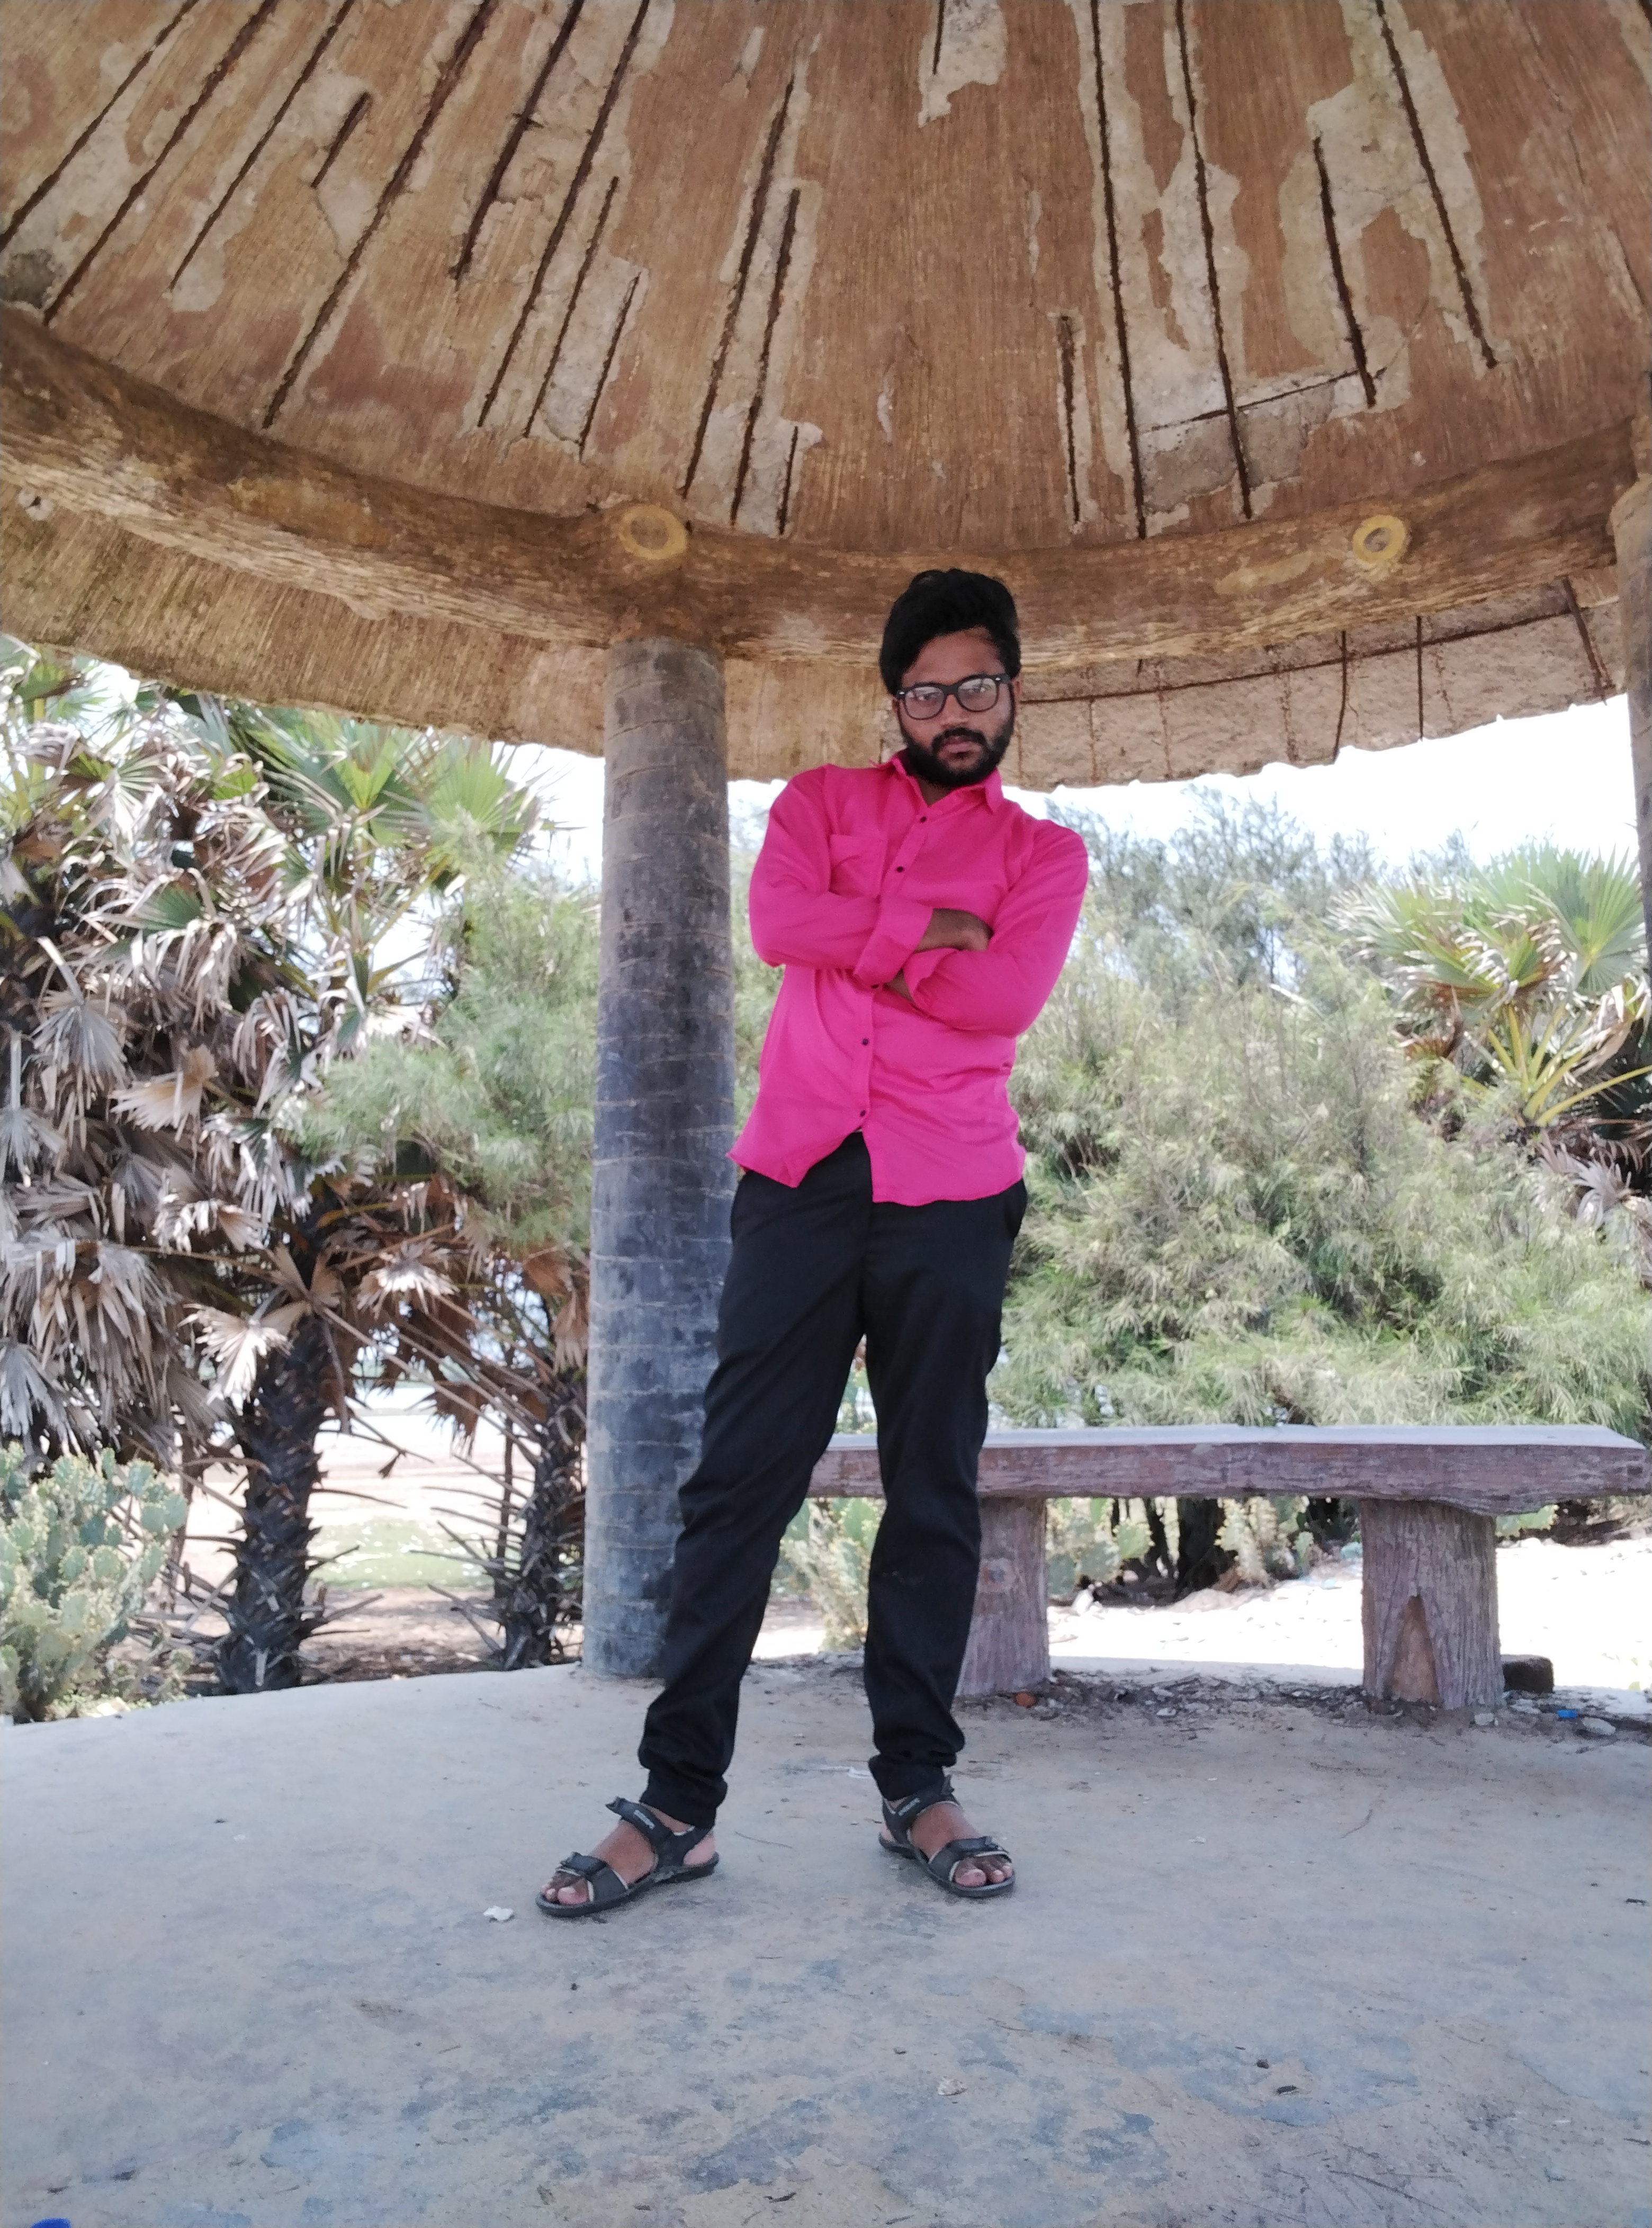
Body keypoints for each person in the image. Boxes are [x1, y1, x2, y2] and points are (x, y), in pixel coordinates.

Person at [540, 568, 1089, 1916]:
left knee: (933, 1488)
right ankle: (678, 1803)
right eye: (927, 691)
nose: (954, 713)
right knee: (739, 1482)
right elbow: (781, 924)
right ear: (895, 701)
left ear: (1012, 693)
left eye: (977, 687)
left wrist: (872, 943)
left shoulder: (1045, 857)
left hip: (952, 1187)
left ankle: (918, 1786)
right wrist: (930, 929)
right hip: (800, 1175)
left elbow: (1005, 999)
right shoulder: (818, 804)